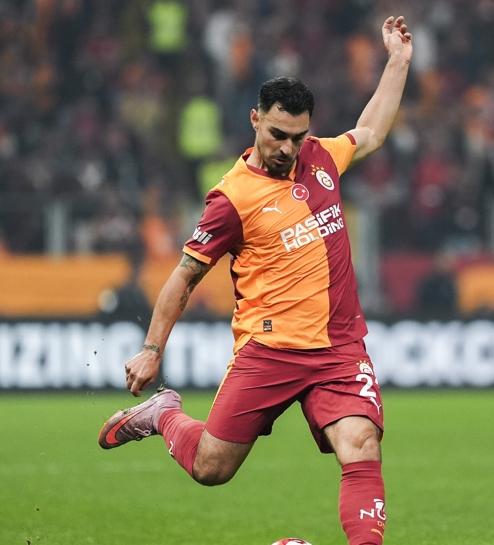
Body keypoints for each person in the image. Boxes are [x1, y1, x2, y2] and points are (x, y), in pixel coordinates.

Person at [97, 15, 412, 545]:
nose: (288, 148)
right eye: (277, 135)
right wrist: (152, 349)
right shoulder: (231, 199)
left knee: (361, 444)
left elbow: (372, 131)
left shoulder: (321, 159)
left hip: (338, 348)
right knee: (211, 467)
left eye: (298, 137)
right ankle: (163, 415)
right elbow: (184, 277)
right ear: (255, 120)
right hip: (268, 349)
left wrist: (398, 60)